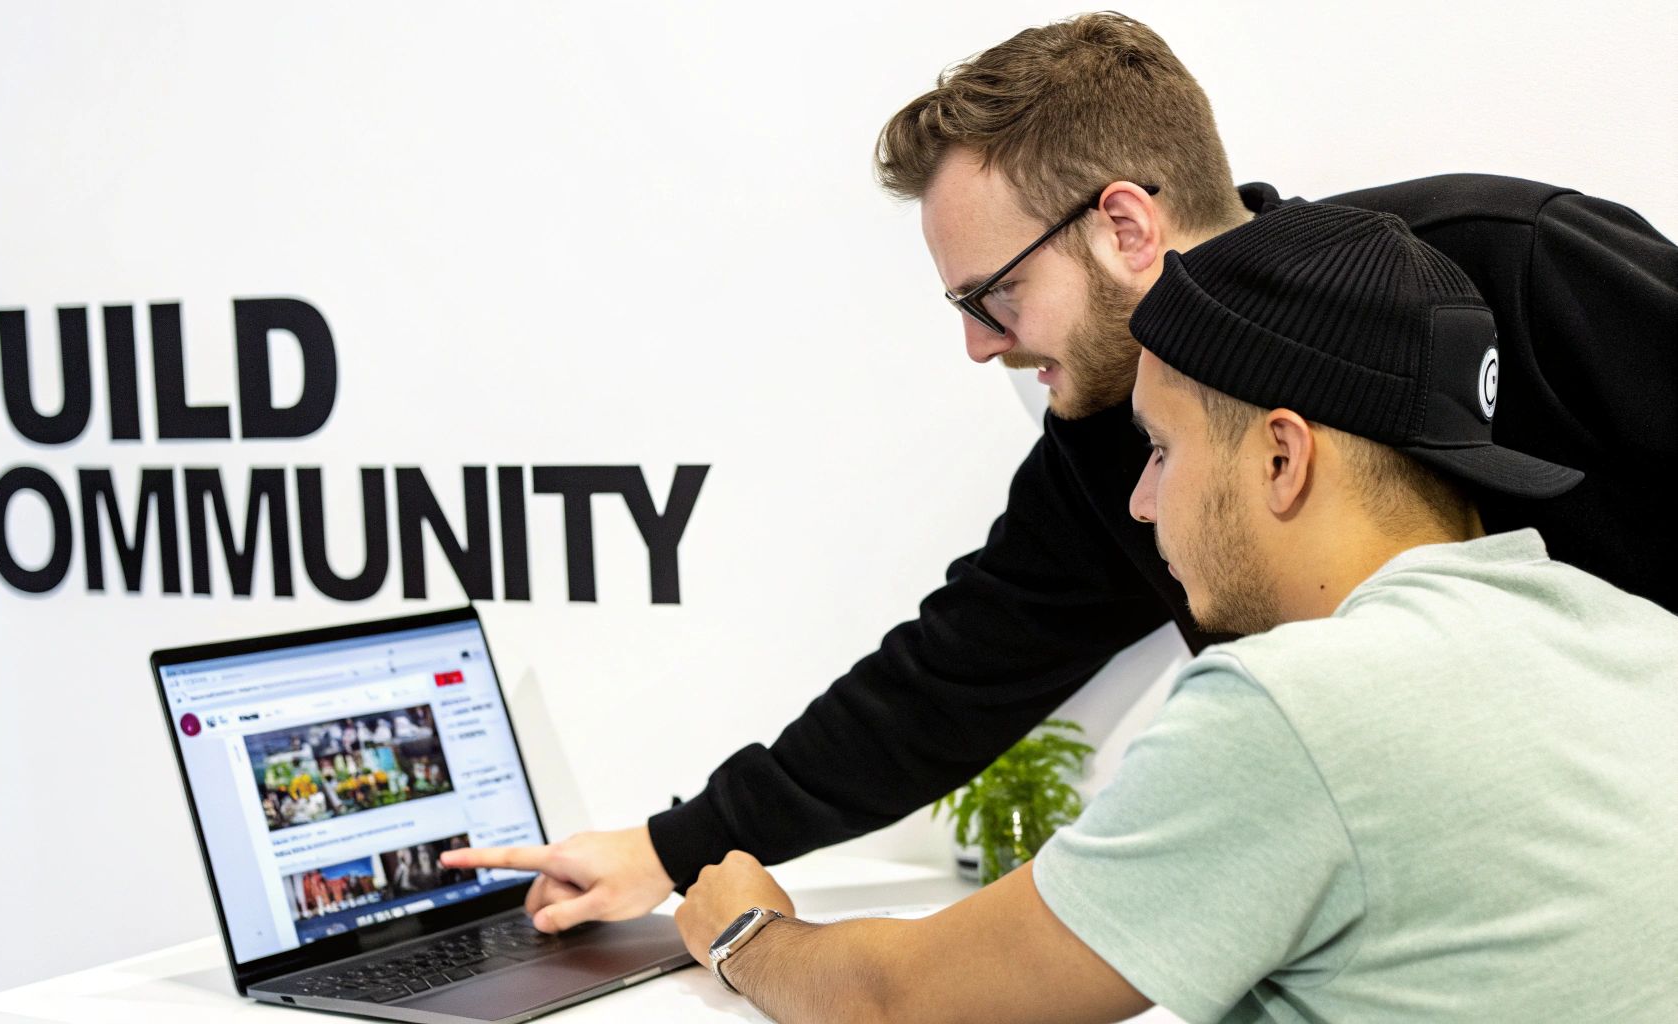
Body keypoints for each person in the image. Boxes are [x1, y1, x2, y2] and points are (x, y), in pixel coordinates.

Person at [441, 12, 1678, 934]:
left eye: (992, 296)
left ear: (1125, 226)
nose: (978, 342)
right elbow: (951, 675)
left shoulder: (1511, 267)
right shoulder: (1110, 453)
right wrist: (671, 848)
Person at [672, 202, 1678, 1023]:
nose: (1139, 502)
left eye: (1158, 449)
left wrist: (745, 934)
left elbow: (897, 998)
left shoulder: (1298, 706)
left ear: (1280, 458)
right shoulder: (1633, 638)